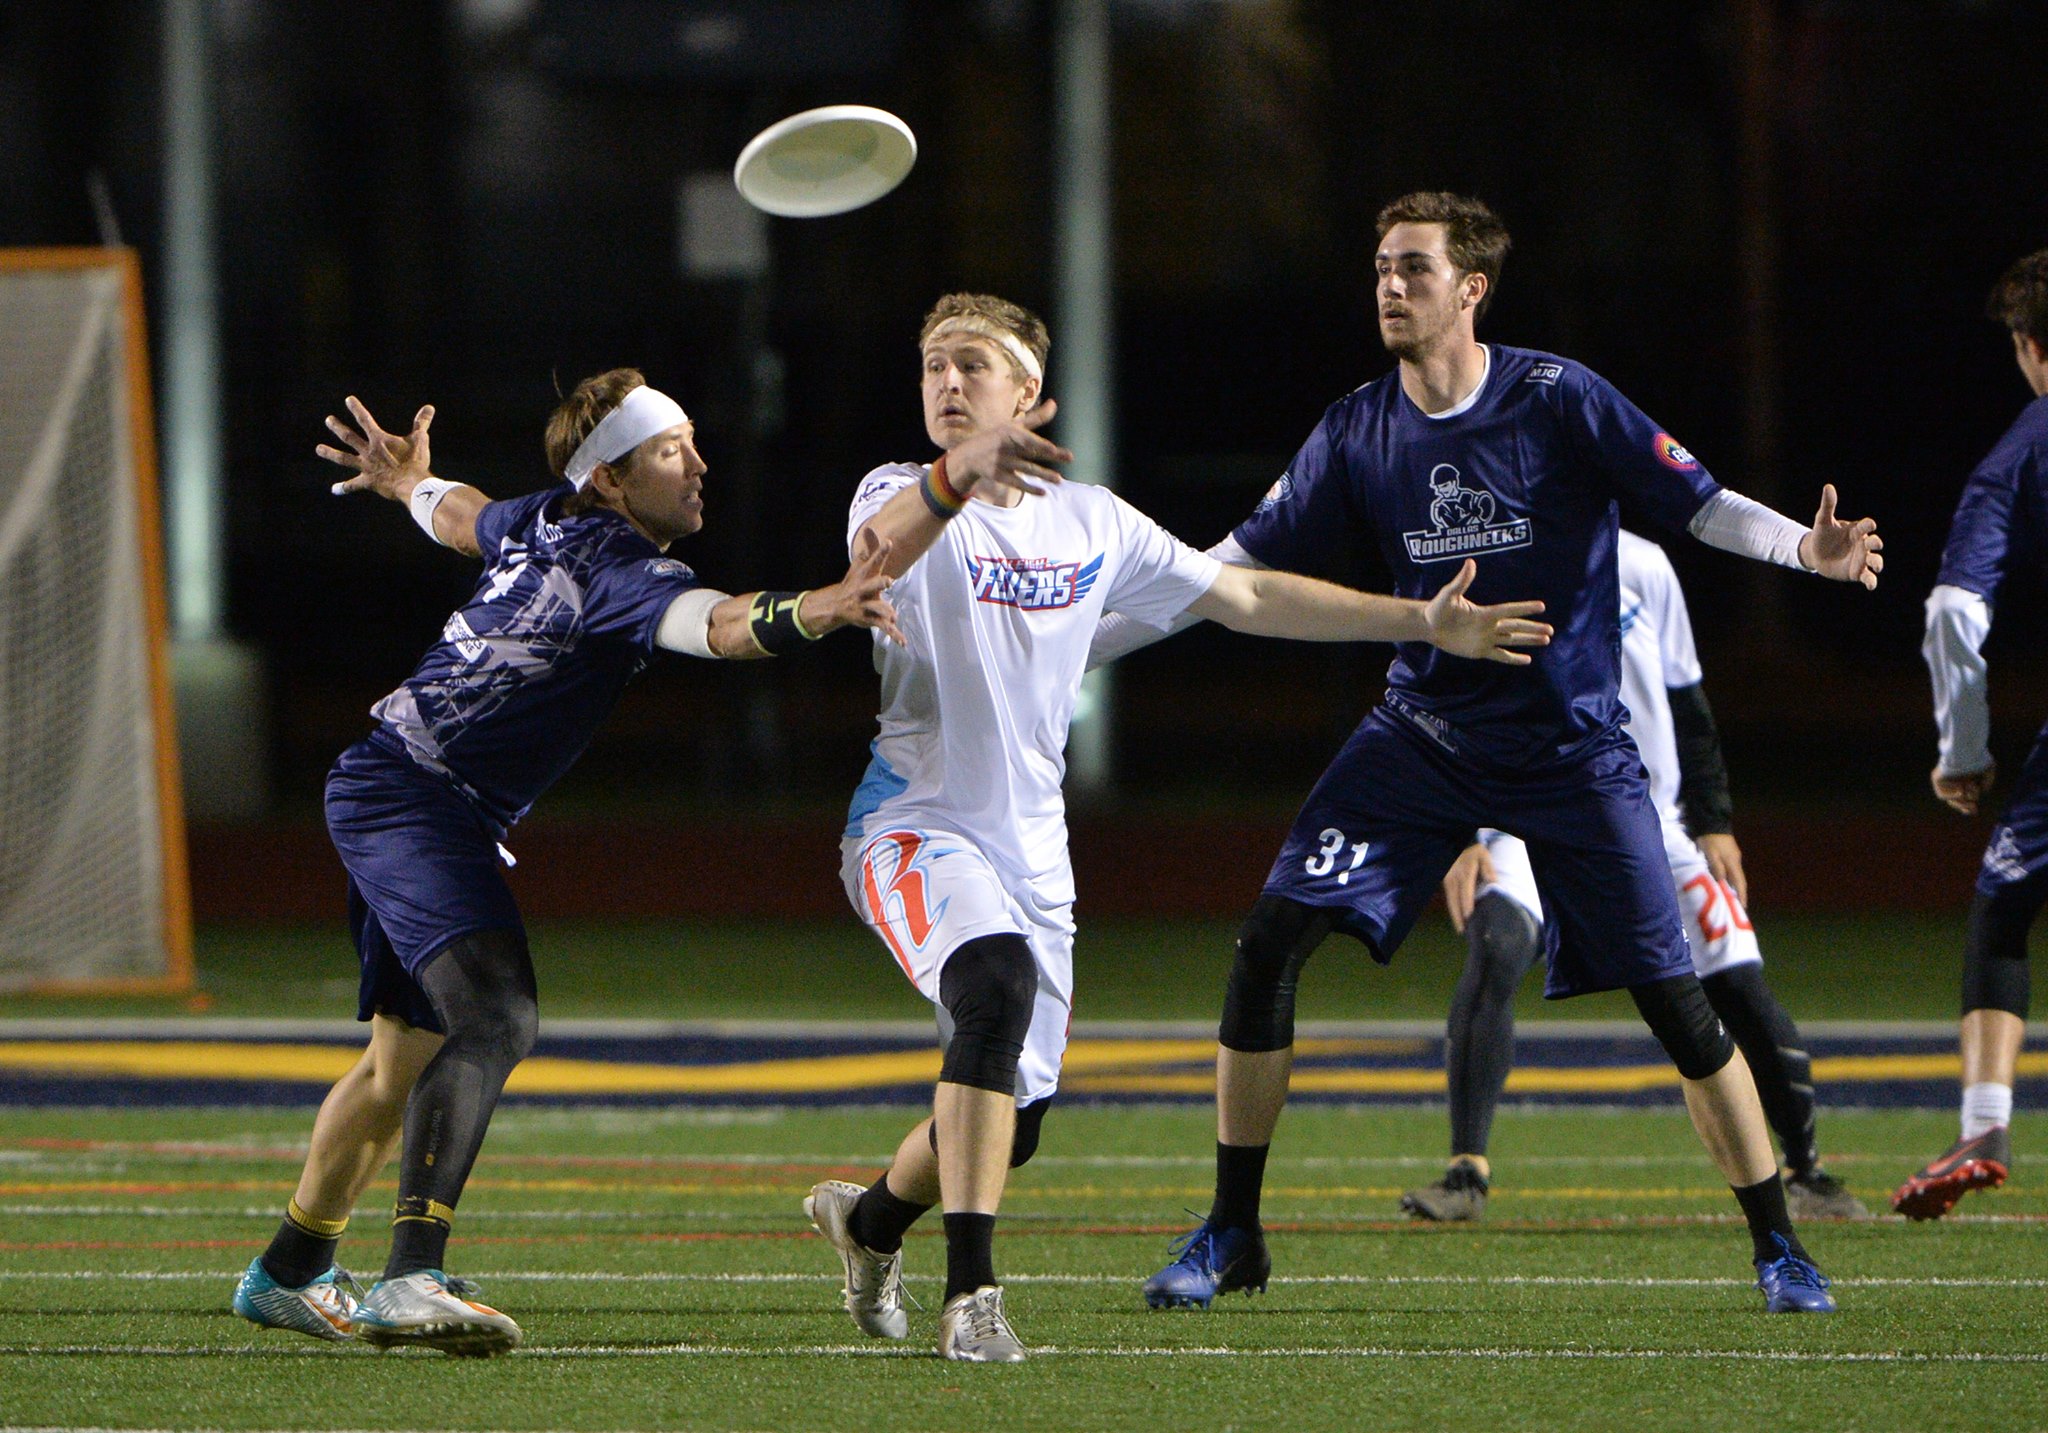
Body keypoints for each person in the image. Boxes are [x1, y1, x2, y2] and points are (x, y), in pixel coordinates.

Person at [1103, 192, 1880, 1317]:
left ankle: (1778, 1244)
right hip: (1420, 738)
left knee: (1674, 1001)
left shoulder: (1556, 397)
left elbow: (1698, 504)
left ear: (1471, 289)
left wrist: (1805, 552)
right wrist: (1082, 640)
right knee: (1266, 940)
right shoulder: (1355, 425)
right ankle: (1231, 1230)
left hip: (1570, 752)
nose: (1388, 285)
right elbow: (1221, 574)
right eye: (1378, 266)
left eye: (1412, 267)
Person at [800, 292, 1551, 1363]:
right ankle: (973, 1295)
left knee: (1022, 1111)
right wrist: (956, 475)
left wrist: (1419, 619)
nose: (948, 383)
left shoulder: (1090, 519)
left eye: (972, 365)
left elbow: (1240, 595)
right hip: (912, 822)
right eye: (931, 366)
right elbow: (878, 542)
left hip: (1031, 847)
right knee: (994, 987)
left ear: (1031, 396)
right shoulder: (897, 489)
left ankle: (869, 1221)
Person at [231, 371, 900, 1355]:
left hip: (393, 782)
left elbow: (463, 516)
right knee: (496, 1011)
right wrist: (821, 606)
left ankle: (290, 1267)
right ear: (613, 480)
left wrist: (406, 482)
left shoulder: (543, 515)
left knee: (400, 1062)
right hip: (416, 796)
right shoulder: (620, 567)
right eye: (672, 448)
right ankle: (409, 1275)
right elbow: (714, 626)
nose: (699, 461)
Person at [1400, 530, 1866, 1225]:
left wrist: (1712, 818)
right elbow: (1448, 700)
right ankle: (1467, 1171)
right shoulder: (1499, 561)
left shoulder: (1646, 564)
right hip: (1530, 811)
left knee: (1738, 984)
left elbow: (1687, 697)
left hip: (1649, 819)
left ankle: (1807, 1170)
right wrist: (1460, 830)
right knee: (1496, 947)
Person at [1895, 247, 2048, 1220]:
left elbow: (1952, 610)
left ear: (2030, 348)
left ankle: (1983, 1123)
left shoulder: (2018, 452)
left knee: (2000, 904)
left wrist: (1962, 750)